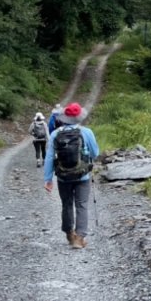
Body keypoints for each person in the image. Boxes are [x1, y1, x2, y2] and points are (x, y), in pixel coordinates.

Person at [43, 102, 99, 249]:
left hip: (63, 177)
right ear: (79, 117)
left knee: (67, 204)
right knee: (81, 205)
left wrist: (48, 179)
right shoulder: (86, 132)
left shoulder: (55, 134)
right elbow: (95, 153)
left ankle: (69, 233)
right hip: (83, 176)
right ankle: (79, 238)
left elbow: (49, 158)